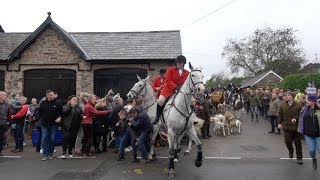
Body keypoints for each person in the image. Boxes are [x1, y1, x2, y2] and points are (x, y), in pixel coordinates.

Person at [155, 55, 190, 122]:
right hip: (168, 89)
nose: (178, 64)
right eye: (177, 63)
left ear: (183, 64)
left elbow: (187, 83)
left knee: (191, 102)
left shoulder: (187, 73)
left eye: (180, 63)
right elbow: (168, 80)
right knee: (160, 101)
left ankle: (190, 118)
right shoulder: (170, 70)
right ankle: (158, 117)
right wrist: (175, 87)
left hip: (180, 91)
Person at [278, 91, 303, 165]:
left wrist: (296, 118)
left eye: (288, 95)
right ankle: (291, 151)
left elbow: (301, 115)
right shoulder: (282, 105)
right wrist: (279, 123)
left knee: (298, 143)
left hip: (296, 127)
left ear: (292, 96)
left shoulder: (298, 105)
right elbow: (280, 115)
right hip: (286, 127)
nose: (286, 97)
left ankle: (299, 158)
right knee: (287, 142)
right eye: (285, 95)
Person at [39, 89, 63, 161]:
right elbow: (39, 112)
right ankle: (45, 154)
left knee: (52, 139)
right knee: (44, 138)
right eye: (50, 95)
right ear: (47, 95)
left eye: (53, 95)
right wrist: (41, 119)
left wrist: (60, 117)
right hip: (44, 124)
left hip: (53, 124)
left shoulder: (57, 103)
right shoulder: (43, 103)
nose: (52, 96)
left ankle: (50, 153)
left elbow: (62, 112)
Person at [298, 94, 320, 169]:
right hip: (308, 134)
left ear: (313, 101)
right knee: (311, 150)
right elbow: (300, 118)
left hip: (318, 134)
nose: (306, 101)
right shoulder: (304, 109)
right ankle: (314, 159)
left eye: (308, 100)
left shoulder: (318, 110)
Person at [0, 91, 11, 156]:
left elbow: (9, 114)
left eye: (6, 95)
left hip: (3, 124)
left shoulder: (7, 104)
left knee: (2, 139)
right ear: (0, 96)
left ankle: (0, 150)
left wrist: (10, 122)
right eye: (4, 95)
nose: (6, 97)